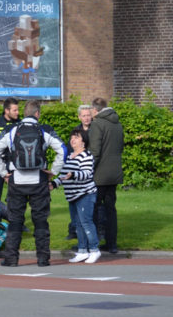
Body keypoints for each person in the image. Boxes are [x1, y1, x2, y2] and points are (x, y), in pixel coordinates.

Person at [0, 100, 66, 267]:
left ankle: (11, 259)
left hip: (16, 181)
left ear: (24, 113)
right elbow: (62, 150)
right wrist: (54, 171)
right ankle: (43, 259)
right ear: (37, 114)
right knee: (40, 220)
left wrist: (4, 173)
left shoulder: (11, 130)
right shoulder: (44, 130)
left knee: (15, 220)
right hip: (39, 180)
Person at [50, 128, 101, 264]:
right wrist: (54, 184)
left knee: (86, 222)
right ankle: (82, 251)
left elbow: (87, 173)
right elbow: (63, 175)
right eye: (72, 137)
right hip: (72, 196)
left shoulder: (86, 156)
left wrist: (73, 174)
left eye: (76, 137)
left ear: (83, 141)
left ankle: (94, 250)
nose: (73, 140)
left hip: (85, 194)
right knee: (77, 224)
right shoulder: (69, 156)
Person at [88, 97, 124, 254]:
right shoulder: (118, 123)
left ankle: (93, 243)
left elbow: (95, 151)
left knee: (94, 209)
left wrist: (88, 169)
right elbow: (120, 147)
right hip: (114, 172)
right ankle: (112, 244)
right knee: (111, 209)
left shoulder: (97, 124)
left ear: (95, 110)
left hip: (100, 174)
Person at [66, 104, 94, 241]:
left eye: (88, 115)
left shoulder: (96, 130)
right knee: (74, 206)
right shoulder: (76, 132)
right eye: (84, 115)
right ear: (79, 117)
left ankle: (92, 238)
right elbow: (70, 150)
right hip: (76, 174)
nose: (86, 118)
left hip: (90, 171)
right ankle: (74, 231)